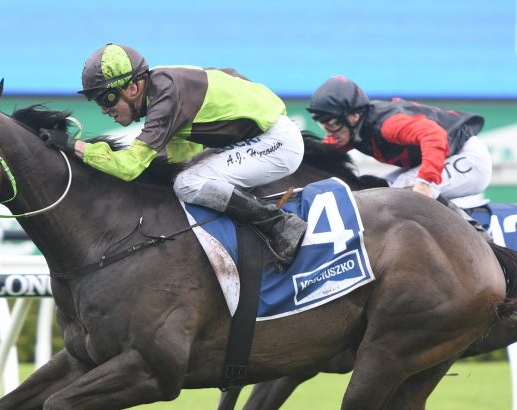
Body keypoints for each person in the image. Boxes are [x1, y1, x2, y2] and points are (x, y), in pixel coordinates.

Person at [40, 43, 307, 265]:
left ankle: (279, 225)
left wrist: (74, 146)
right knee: (184, 176)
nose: (103, 109)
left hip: (276, 143)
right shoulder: (161, 88)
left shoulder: (165, 97)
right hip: (256, 137)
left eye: (106, 98)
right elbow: (179, 157)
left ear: (132, 88)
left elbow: (129, 166)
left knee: (188, 183)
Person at [306, 75, 492, 234]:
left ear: (353, 116)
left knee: (403, 194)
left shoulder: (388, 124)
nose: (330, 131)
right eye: (323, 124)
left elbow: (435, 136)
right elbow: (322, 154)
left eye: (332, 123)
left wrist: (425, 182)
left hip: (468, 157)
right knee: (378, 190)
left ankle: (478, 235)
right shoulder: (352, 128)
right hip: (446, 155)